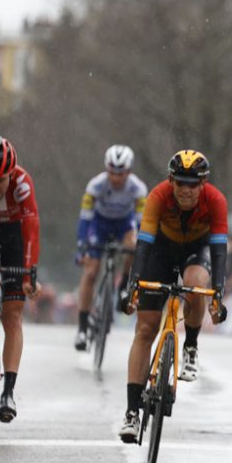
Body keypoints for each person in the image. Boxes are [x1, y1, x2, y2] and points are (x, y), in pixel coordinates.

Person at [117, 150, 228, 443]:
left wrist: (218, 293)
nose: (187, 190)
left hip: (197, 251)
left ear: (203, 183)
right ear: (171, 181)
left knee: (196, 282)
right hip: (161, 252)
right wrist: (133, 286)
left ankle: (190, 346)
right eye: (181, 183)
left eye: (193, 184)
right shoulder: (158, 196)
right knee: (145, 329)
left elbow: (218, 251)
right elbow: (142, 245)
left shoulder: (215, 201)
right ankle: (131, 412)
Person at [0, 136, 41, 422]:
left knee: (13, 318)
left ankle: (8, 392)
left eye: (1, 181)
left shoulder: (22, 183)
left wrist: (29, 271)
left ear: (11, 174)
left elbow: (32, 229)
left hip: (14, 234)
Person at [73, 145, 147, 350]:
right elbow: (85, 218)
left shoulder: (138, 189)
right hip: (100, 224)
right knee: (91, 272)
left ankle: (123, 284)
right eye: (111, 172)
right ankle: (81, 328)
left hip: (124, 223)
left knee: (133, 245)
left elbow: (142, 223)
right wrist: (82, 245)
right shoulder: (95, 186)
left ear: (129, 171)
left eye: (120, 173)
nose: (115, 178)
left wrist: (142, 248)